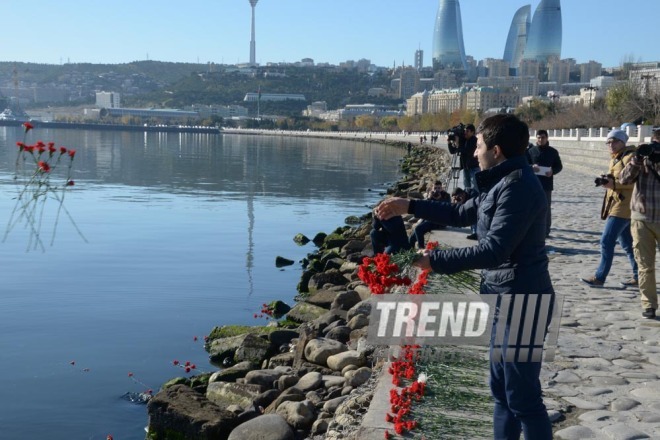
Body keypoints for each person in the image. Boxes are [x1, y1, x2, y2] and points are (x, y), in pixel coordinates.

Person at [375, 114, 553, 440]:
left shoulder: (518, 188)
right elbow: (459, 213)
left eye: (480, 145)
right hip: (503, 297)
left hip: (523, 300)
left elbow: (494, 250)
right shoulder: (502, 180)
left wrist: (432, 261)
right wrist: (409, 205)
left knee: (523, 399)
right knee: (501, 390)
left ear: (496, 150)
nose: (474, 152)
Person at [580, 129, 639, 288]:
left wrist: (614, 184)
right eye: (608, 142)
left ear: (622, 142)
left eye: (614, 141)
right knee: (627, 243)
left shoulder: (631, 157)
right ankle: (638, 276)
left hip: (624, 206)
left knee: (606, 241)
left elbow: (635, 182)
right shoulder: (616, 158)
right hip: (618, 204)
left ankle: (600, 277)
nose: (610, 144)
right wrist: (607, 180)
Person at [619, 129, 660, 319]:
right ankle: (648, 304)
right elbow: (623, 179)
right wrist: (637, 158)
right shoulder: (641, 158)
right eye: (654, 143)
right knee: (645, 266)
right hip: (642, 219)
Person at [527, 129, 563, 237]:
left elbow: (559, 166)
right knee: (532, 207)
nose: (540, 139)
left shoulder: (553, 152)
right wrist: (531, 167)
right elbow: (524, 164)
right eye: (538, 137)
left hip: (546, 184)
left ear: (547, 138)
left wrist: (552, 171)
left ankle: (546, 230)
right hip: (532, 183)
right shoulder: (530, 151)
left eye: (543, 137)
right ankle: (531, 228)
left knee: (546, 208)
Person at [408, 180, 451, 249]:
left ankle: (421, 249)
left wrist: (440, 199)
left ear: (442, 188)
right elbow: (424, 208)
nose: (437, 190)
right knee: (412, 238)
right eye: (435, 188)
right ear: (432, 188)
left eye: (439, 188)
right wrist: (429, 198)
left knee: (418, 229)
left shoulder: (446, 196)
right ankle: (410, 252)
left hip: (440, 220)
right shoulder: (432, 195)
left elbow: (447, 208)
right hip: (430, 218)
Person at [461, 124, 479, 240]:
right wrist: (451, 142)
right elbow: (453, 151)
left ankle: (476, 230)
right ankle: (472, 227)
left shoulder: (474, 141)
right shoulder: (464, 140)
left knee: (474, 195)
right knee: (467, 194)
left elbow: (467, 151)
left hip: (473, 169)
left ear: (473, 132)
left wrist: (459, 142)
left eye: (467, 131)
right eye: (464, 131)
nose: (465, 133)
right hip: (466, 168)